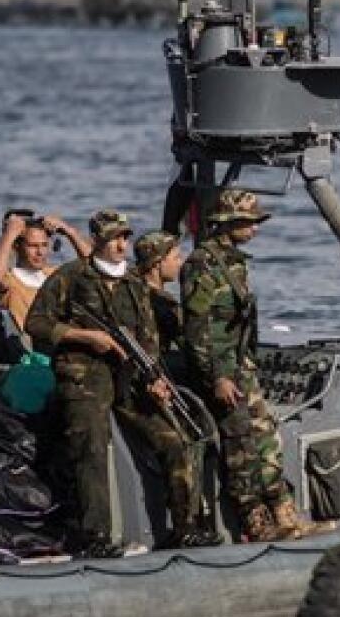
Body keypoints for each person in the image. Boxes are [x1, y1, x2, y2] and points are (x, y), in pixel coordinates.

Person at [25, 209, 217, 557]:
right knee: (91, 447)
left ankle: (185, 528)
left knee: (174, 439)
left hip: (130, 378)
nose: (122, 244)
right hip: (85, 374)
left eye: (126, 237)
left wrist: (155, 376)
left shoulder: (133, 284)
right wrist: (84, 337)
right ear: (98, 240)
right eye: (115, 238)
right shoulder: (71, 277)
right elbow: (35, 324)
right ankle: (94, 536)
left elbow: (147, 337)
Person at [181, 189, 324, 542]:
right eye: (249, 222)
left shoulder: (235, 262)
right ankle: (256, 524)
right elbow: (198, 330)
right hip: (224, 373)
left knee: (267, 441)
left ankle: (286, 515)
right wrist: (218, 377)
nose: (255, 228)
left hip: (242, 369)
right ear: (229, 223)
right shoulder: (203, 264)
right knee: (240, 448)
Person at [0, 210, 90, 332]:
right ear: (16, 246)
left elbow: (95, 266)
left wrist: (69, 231)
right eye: (33, 246)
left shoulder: (56, 274)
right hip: (27, 347)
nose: (40, 252)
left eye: (44, 245)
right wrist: (10, 233)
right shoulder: (9, 281)